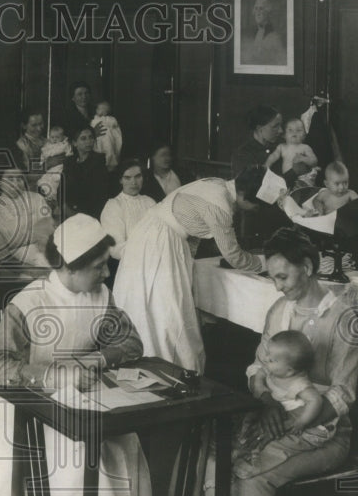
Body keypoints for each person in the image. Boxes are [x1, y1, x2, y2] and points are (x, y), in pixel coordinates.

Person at [0, 214, 156, 496]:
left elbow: (131, 342)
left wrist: (94, 358)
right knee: (73, 452)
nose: (106, 274)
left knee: (126, 439)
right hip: (16, 407)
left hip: (72, 398)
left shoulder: (100, 297)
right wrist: (53, 375)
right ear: (71, 266)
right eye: (98, 267)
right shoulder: (31, 302)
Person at [197, 227, 358, 496]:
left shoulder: (343, 319)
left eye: (283, 276)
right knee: (216, 456)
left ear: (307, 266)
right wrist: (268, 400)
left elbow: (342, 395)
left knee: (253, 476)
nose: (278, 286)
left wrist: (292, 422)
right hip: (279, 416)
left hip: (324, 434)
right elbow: (259, 367)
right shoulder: (278, 311)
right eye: (272, 278)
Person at [114, 166, 268, 371]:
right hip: (160, 242)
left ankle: (148, 362)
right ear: (242, 195)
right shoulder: (220, 207)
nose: (253, 211)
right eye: (254, 206)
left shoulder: (215, 182)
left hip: (149, 234)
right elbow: (234, 257)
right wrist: (265, 262)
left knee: (150, 304)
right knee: (166, 309)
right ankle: (166, 367)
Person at [233, 330, 329, 478]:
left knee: (280, 446)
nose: (266, 359)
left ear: (290, 371)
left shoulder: (298, 383)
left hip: (308, 428)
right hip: (282, 413)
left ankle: (257, 465)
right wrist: (261, 383)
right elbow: (260, 373)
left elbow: (316, 400)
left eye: (272, 360)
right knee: (249, 420)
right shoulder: (276, 370)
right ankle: (243, 446)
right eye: (268, 354)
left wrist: (302, 422)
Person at [0, 168, 52, 273]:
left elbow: (49, 233)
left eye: (19, 178)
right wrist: (33, 271)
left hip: (47, 253)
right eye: (10, 179)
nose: (16, 183)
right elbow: (2, 258)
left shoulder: (37, 199)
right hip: (17, 266)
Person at [100, 159, 156, 261]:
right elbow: (116, 248)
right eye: (127, 178)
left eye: (138, 177)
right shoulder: (114, 206)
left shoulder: (150, 202)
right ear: (120, 180)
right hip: (128, 264)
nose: (134, 182)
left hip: (153, 259)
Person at [62, 125, 111, 219]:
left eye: (91, 137)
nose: (88, 141)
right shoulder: (69, 162)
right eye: (83, 139)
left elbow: (100, 194)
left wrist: (80, 216)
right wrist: (66, 208)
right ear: (74, 143)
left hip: (90, 214)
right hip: (68, 212)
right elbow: (61, 189)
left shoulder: (99, 161)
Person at [231, 106, 283, 177]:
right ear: (259, 128)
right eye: (275, 126)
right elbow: (253, 185)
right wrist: (293, 172)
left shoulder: (281, 147)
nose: (281, 130)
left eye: (280, 125)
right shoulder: (243, 154)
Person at [266, 117, 318, 181]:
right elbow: (273, 156)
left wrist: (303, 159)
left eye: (298, 130)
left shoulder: (305, 147)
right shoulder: (282, 146)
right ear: (284, 135)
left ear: (304, 135)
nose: (294, 132)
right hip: (287, 178)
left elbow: (314, 161)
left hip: (303, 178)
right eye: (290, 130)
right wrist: (267, 165)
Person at [242, 0, 286, 66]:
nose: (258, 13)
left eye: (261, 9)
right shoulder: (251, 33)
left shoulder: (275, 35)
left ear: (267, 12)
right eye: (256, 8)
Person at [36, 124, 72, 204]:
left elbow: (69, 154)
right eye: (52, 137)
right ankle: (49, 197)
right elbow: (43, 156)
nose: (55, 139)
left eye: (57, 137)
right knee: (47, 180)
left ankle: (56, 198)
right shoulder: (47, 146)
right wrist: (42, 163)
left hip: (60, 167)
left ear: (62, 137)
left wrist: (67, 158)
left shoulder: (64, 144)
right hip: (50, 168)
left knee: (58, 179)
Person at [14, 110, 46, 182]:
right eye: (34, 125)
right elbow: (27, 176)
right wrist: (48, 165)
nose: (39, 128)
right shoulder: (21, 145)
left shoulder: (47, 141)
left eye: (41, 124)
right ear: (24, 126)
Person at [91, 100, 123, 170]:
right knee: (99, 150)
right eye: (97, 108)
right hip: (99, 139)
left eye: (99, 109)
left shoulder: (110, 118)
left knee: (109, 149)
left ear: (105, 112)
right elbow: (92, 125)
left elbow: (114, 124)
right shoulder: (95, 118)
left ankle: (110, 162)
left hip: (108, 138)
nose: (97, 110)